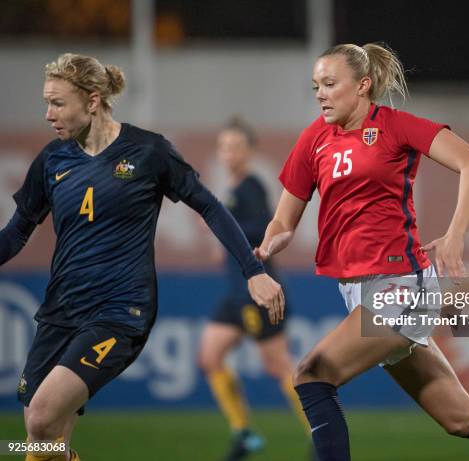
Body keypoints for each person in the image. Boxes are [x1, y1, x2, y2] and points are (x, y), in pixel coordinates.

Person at [254, 43, 469, 461]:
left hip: (401, 285)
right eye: (315, 87)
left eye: (329, 84)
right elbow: (283, 220)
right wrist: (273, 239)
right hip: (361, 292)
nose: (321, 94)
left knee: (312, 375)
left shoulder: (395, 126)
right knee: (460, 418)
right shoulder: (314, 140)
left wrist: (455, 235)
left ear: (363, 86)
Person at [0, 53, 284, 461]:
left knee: (40, 419)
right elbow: (15, 233)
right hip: (61, 310)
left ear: (93, 100)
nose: (48, 114)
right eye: (47, 103)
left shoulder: (148, 151)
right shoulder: (52, 159)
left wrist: (253, 271)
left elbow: (209, 206)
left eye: (58, 103)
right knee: (44, 442)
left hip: (120, 310)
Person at [197, 117, 313, 461]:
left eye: (234, 146)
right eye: (223, 146)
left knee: (278, 365)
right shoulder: (233, 190)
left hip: (256, 293)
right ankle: (243, 433)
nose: (227, 153)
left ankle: (319, 432)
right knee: (210, 357)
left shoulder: (251, 187)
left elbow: (265, 227)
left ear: (249, 151)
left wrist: (227, 231)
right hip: (235, 295)